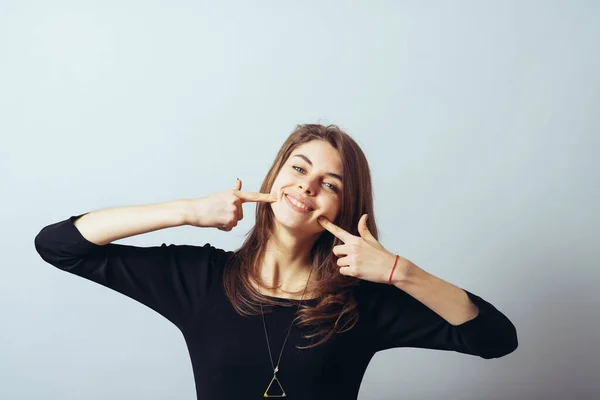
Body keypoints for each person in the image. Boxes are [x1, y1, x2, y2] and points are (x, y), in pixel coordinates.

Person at [34, 124, 518, 399]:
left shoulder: (361, 303)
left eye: (330, 184)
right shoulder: (202, 279)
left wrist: (397, 271)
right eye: (299, 169)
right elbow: (58, 245)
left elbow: (495, 338)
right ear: (276, 177)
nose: (308, 186)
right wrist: (187, 212)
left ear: (343, 211)